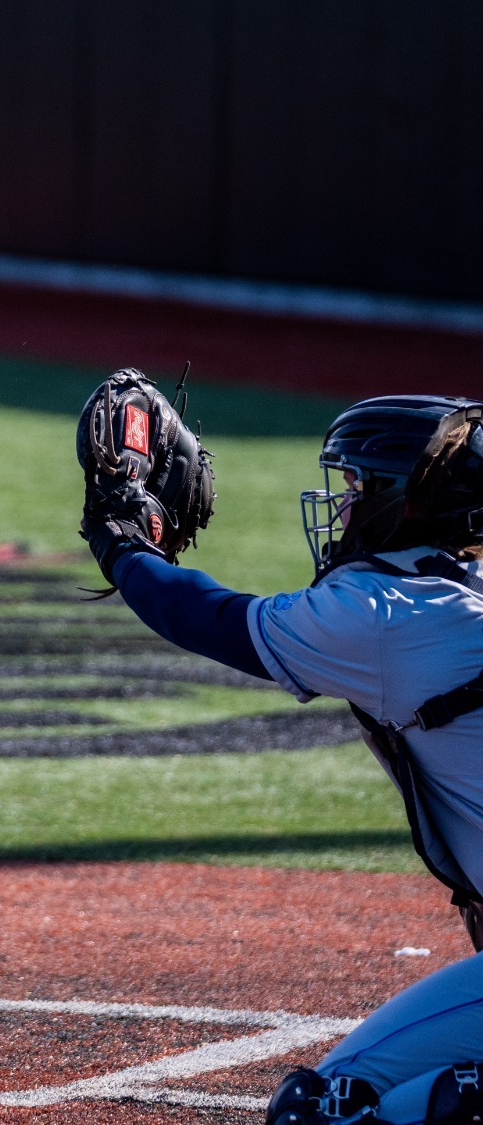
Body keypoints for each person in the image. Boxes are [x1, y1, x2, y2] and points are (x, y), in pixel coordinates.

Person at [82, 392, 483, 1124]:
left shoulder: (389, 611)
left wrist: (120, 538)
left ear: (409, 501)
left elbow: (206, 617)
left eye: (360, 488)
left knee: (325, 1110)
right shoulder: (454, 597)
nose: (343, 505)